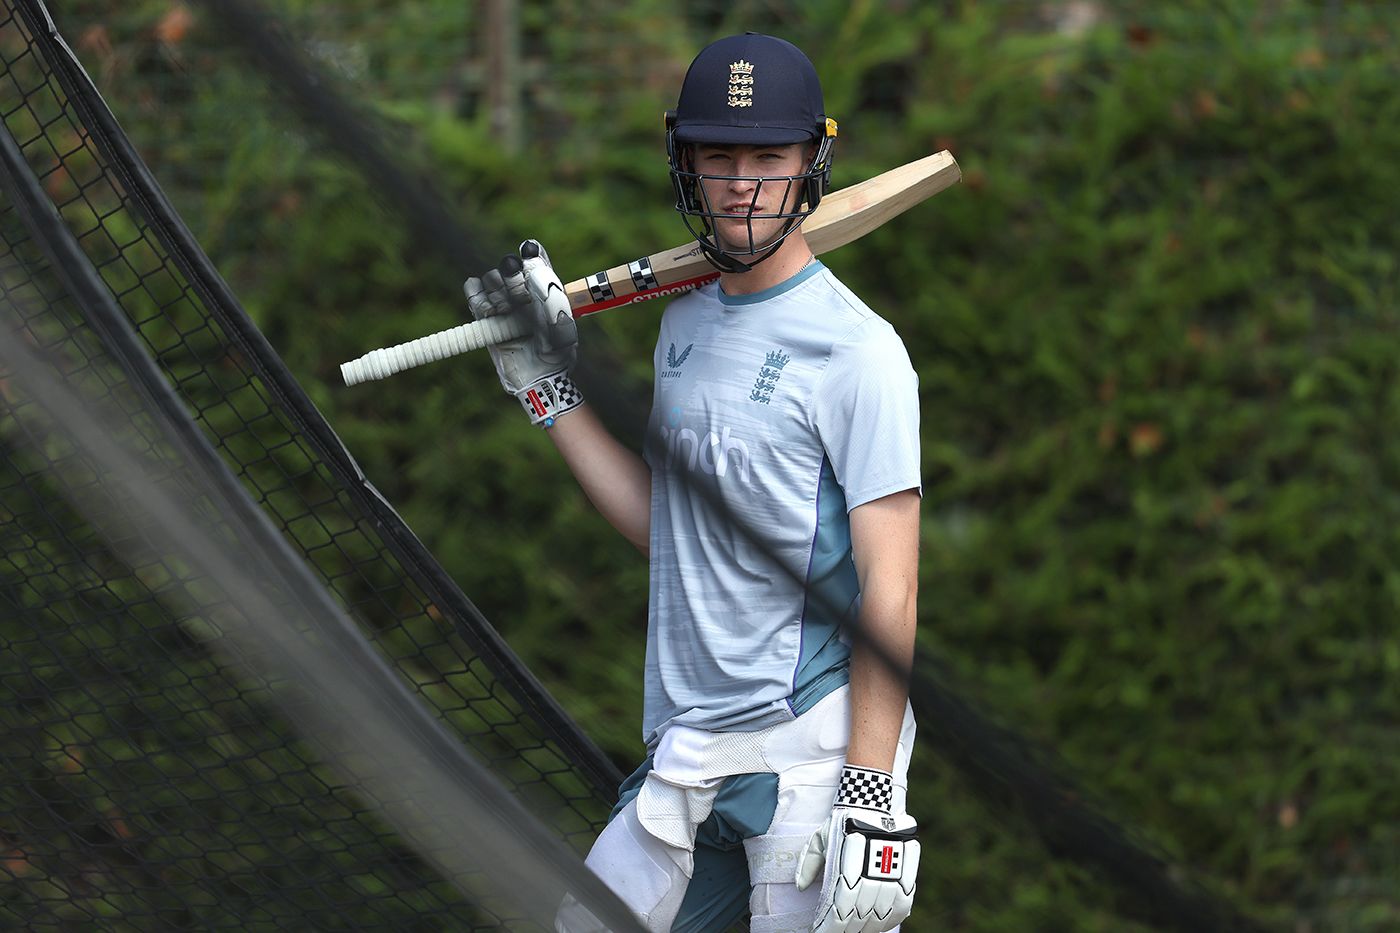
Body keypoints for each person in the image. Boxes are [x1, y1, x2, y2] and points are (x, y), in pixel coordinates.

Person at [465, 33, 922, 933]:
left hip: (811, 749)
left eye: (768, 156)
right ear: (689, 167)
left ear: (811, 163)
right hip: (687, 744)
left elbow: (893, 588)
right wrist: (547, 395)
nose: (743, 181)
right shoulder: (682, 328)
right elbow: (667, 528)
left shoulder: (859, 351)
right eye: (720, 156)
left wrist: (871, 791)